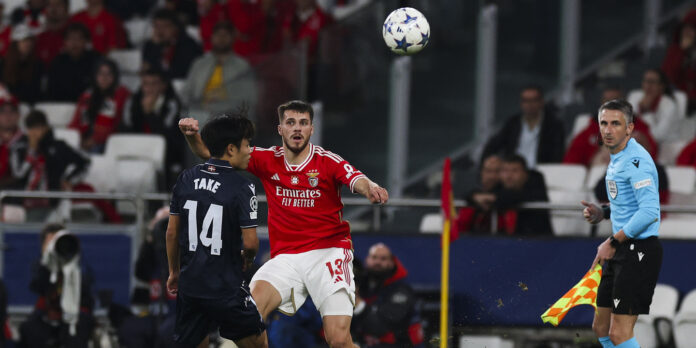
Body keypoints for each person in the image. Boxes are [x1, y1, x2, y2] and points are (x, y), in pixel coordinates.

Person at [179, 100, 389, 348]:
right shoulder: (266, 159)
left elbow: (356, 178)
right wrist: (192, 136)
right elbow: (213, 155)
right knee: (246, 318)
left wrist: (371, 188)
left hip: (328, 252)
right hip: (285, 258)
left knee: (339, 340)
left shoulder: (327, 161)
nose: (297, 129)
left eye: (303, 123)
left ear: (311, 128)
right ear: (280, 129)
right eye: (290, 123)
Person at [166, 114, 268, 348]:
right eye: (247, 144)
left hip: (191, 286)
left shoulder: (186, 178)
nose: (250, 150)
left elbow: (172, 233)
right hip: (226, 287)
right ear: (231, 149)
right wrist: (248, 258)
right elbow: (251, 243)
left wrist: (174, 272)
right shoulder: (243, 186)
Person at [581, 99, 662, 348]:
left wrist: (613, 240)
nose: (608, 129)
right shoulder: (619, 158)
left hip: (638, 250)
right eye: (604, 123)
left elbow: (649, 211)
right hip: (620, 249)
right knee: (601, 327)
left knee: (620, 333)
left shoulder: (637, 161)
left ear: (629, 128)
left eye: (616, 123)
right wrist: (604, 213)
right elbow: (630, 204)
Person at [18, 223, 96, 348]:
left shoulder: (77, 263)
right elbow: (37, 286)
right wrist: (47, 262)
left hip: (75, 315)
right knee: (29, 329)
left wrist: (71, 262)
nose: (54, 246)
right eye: (50, 243)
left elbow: (87, 289)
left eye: (58, 241)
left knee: (78, 329)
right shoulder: (40, 265)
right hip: (46, 315)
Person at [9, 110, 91, 220]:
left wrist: (69, 179)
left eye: (39, 128)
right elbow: (18, 174)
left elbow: (85, 161)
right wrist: (32, 151)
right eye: (31, 129)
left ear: (46, 128)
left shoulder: (58, 147)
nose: (35, 133)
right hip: (20, 199)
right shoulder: (19, 148)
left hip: (47, 200)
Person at [120, 67, 184, 188]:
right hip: (135, 149)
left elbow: (169, 137)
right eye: (145, 84)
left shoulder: (172, 104)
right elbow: (126, 130)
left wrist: (150, 114)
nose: (149, 88)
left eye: (154, 84)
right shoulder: (133, 101)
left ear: (163, 86)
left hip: (165, 154)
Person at [352, 243, 424, 348]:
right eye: (374, 257)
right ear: (367, 260)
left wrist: (357, 302)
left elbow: (380, 328)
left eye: (383, 259)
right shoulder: (362, 285)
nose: (377, 262)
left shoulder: (401, 291)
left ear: (391, 262)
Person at [564, 87, 659, 167]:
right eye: (607, 101)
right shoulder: (589, 132)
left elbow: (652, 158)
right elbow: (570, 165)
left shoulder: (639, 129)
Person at [181, 20, 257, 116]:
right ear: (212, 37)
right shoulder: (199, 64)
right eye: (218, 35)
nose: (221, 38)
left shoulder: (242, 66)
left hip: (229, 117)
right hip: (199, 113)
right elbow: (187, 93)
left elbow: (249, 99)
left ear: (233, 38)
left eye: (225, 35)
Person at [481, 85, 565, 168]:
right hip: (513, 172)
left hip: (540, 172)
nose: (529, 104)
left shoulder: (554, 125)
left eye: (533, 100)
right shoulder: (513, 123)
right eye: (526, 101)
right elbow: (493, 145)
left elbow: (557, 155)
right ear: (521, 103)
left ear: (541, 102)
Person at [68, 58, 131, 153]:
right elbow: (77, 122)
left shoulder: (120, 94)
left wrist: (92, 141)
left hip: (109, 141)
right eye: (100, 74)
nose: (104, 78)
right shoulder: (87, 95)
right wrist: (74, 138)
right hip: (86, 138)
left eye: (109, 74)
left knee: (95, 150)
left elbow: (111, 127)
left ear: (115, 76)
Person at [492, 154, 553, 235]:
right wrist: (474, 196)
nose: (509, 176)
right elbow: (483, 193)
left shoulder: (536, 181)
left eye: (514, 171)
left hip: (537, 240)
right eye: (505, 171)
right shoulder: (500, 185)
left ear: (525, 174)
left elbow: (513, 197)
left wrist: (492, 198)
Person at [44, 23, 101, 102]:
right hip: (62, 107)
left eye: (79, 39)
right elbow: (51, 92)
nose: (74, 43)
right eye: (70, 39)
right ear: (64, 42)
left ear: (86, 41)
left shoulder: (96, 60)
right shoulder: (57, 62)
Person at [142, 8, 202, 80]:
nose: (160, 31)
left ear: (175, 27)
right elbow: (147, 71)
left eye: (165, 26)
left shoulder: (188, 45)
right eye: (156, 26)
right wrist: (155, 48)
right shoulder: (151, 45)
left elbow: (181, 73)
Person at [627, 69, 680, 144]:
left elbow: (659, 135)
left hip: (662, 145)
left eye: (652, 82)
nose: (648, 85)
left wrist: (646, 111)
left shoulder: (669, 105)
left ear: (661, 86)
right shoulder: (634, 96)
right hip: (634, 139)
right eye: (645, 81)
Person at [454, 153, 503, 234]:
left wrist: (494, 198)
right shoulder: (473, 196)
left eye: (497, 171)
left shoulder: (511, 194)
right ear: (481, 173)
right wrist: (474, 197)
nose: (492, 176)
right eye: (488, 171)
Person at [1, 24, 44, 104]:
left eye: (30, 40)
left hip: (29, 105)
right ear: (15, 43)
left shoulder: (38, 65)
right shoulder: (3, 64)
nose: (28, 43)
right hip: (8, 106)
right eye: (24, 40)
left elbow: (38, 90)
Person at [35, 0, 70, 66]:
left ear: (66, 8)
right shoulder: (40, 39)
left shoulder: (74, 36)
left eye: (58, 4)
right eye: (49, 5)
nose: (53, 8)